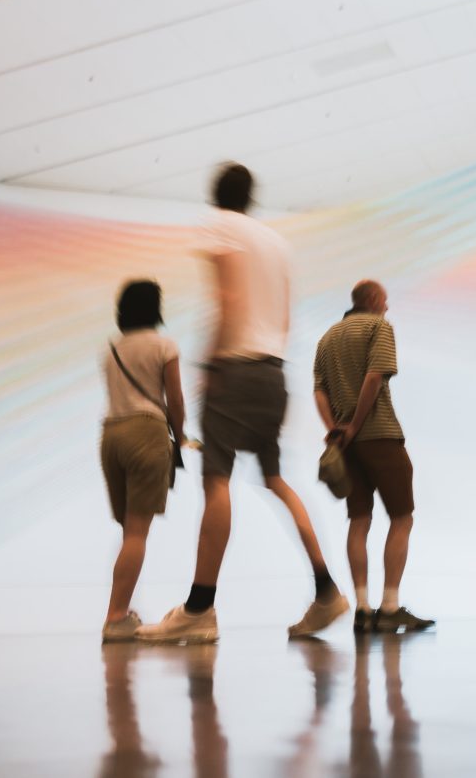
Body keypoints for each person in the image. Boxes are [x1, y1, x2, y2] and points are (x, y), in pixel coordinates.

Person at [139, 163, 348, 644]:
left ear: (216, 195)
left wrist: (210, 365)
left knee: (217, 483)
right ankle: (326, 590)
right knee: (276, 479)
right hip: (272, 372)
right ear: (252, 195)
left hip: (233, 369)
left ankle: (199, 608)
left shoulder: (219, 226)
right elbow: (286, 316)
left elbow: (227, 297)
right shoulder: (276, 242)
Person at [312, 281, 434, 633]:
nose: (388, 307)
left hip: (345, 446)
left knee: (359, 520)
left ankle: (363, 608)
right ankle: (391, 607)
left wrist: (336, 428)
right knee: (401, 517)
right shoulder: (378, 327)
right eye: (386, 300)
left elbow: (319, 390)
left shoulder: (328, 336)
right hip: (379, 433)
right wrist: (355, 424)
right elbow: (375, 377)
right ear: (377, 301)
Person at [100, 280, 185, 643]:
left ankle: (121, 610)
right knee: (137, 533)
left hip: (111, 435)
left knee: (128, 533)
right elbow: (175, 400)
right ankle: (116, 617)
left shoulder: (112, 350)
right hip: (146, 432)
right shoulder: (164, 345)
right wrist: (179, 438)